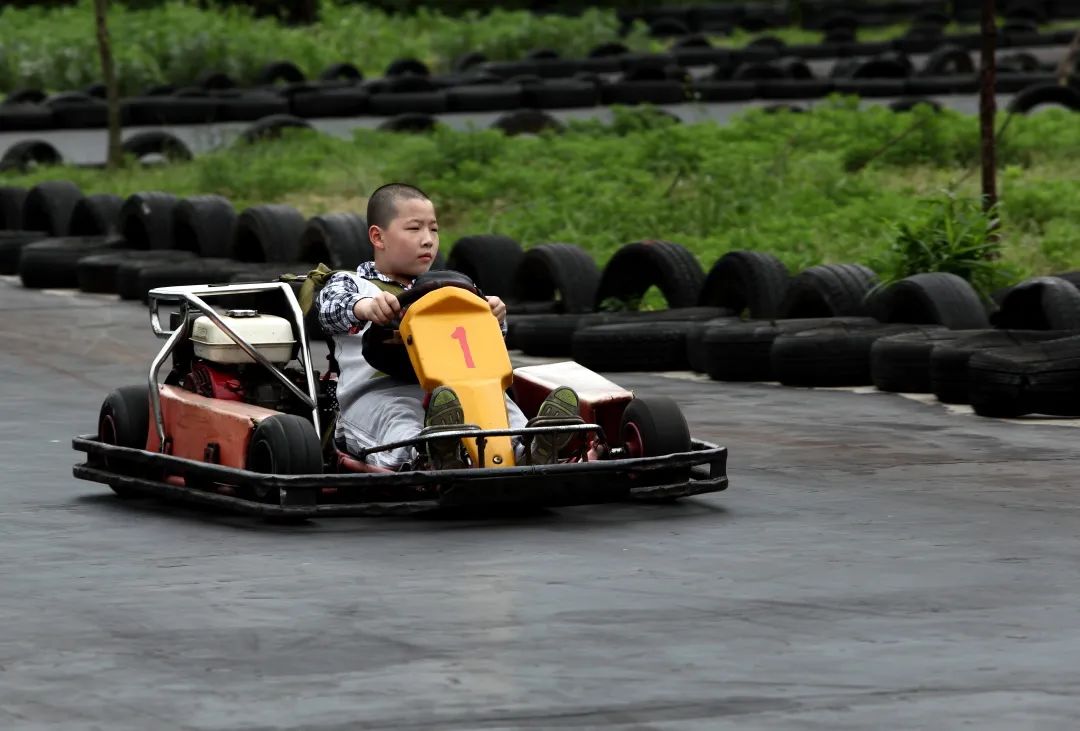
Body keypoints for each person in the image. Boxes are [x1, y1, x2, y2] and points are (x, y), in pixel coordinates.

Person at [316, 182, 579, 469]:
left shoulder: (456, 287)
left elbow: (481, 346)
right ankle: (433, 453)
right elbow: (329, 311)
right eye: (415, 229)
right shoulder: (351, 284)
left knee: (503, 410)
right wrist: (365, 308)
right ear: (378, 237)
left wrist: (494, 318)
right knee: (400, 422)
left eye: (434, 229)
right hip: (380, 393)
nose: (428, 240)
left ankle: (532, 448)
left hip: (458, 390)